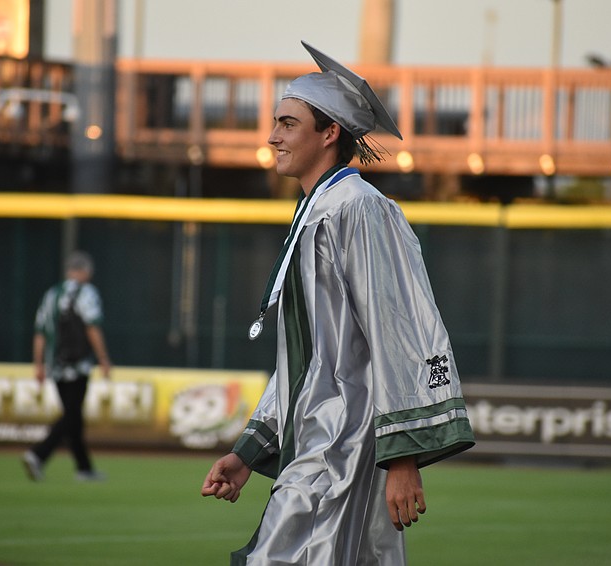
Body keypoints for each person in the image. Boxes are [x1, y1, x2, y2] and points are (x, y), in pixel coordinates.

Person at [201, 42, 475, 565]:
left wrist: (403, 457)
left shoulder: (360, 210)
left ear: (329, 133)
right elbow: (313, 357)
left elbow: (401, 331)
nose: (272, 135)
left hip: (348, 445)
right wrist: (247, 451)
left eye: (287, 123)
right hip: (319, 440)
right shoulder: (316, 210)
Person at [21, 250, 112, 482]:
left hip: (55, 366)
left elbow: (40, 332)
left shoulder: (51, 294)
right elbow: (92, 326)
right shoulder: (86, 292)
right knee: (72, 416)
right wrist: (103, 358)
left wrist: (38, 364)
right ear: (84, 271)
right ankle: (38, 454)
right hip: (77, 365)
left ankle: (84, 468)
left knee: (74, 416)